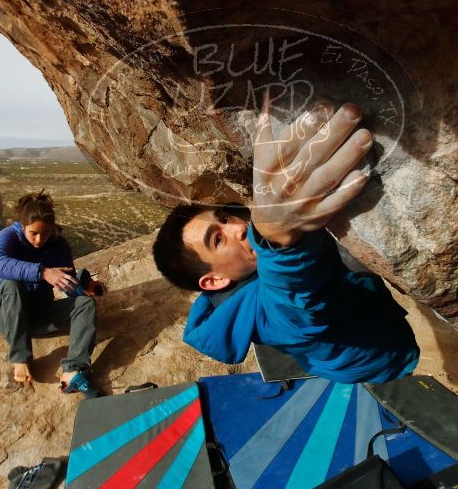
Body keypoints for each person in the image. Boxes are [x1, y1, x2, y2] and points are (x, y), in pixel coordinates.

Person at [153, 102, 419, 383]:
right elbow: (292, 300)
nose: (239, 227)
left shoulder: (236, 285)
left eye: (225, 218)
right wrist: (278, 241)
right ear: (214, 280)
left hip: (362, 317)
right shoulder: (270, 319)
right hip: (380, 359)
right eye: (218, 239)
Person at [0, 191, 98, 397]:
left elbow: (67, 282)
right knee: (13, 285)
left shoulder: (58, 245)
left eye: (45, 233)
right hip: (5, 315)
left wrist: (79, 289)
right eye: (33, 233)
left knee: (85, 305)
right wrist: (43, 272)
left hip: (37, 315)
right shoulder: (8, 236)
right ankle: (20, 357)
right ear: (22, 227)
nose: (39, 240)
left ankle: (74, 369)